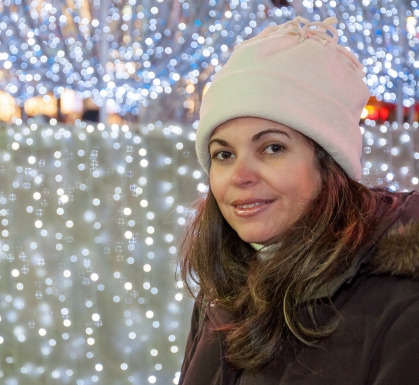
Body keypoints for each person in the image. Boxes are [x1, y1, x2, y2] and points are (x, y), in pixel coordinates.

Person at [178, 16, 419, 385]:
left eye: (272, 148)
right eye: (223, 154)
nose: (240, 175)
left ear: (329, 165)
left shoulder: (400, 305)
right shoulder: (223, 292)